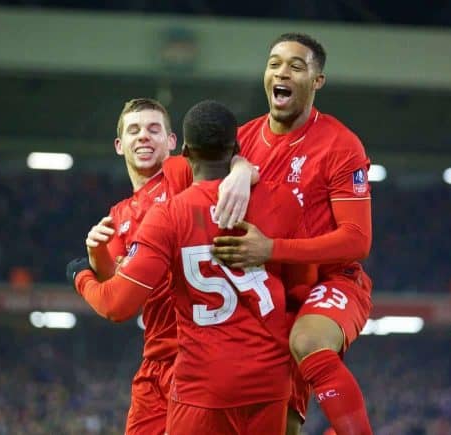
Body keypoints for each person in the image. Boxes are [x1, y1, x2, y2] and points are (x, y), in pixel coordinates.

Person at [67, 99, 314, 434]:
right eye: (134, 130)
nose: (143, 137)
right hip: (160, 360)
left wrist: (241, 170)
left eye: (154, 129)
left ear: (174, 144)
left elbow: (224, 153)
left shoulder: (180, 179)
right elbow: (120, 289)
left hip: (198, 360)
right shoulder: (118, 216)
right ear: (118, 144)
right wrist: (97, 259)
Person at [211, 33, 373, 435]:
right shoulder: (241, 142)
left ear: (317, 81)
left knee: (308, 341)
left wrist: (270, 249)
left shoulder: (341, 145)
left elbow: (357, 239)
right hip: (268, 296)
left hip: (332, 280)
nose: (281, 72)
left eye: (296, 66)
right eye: (274, 63)